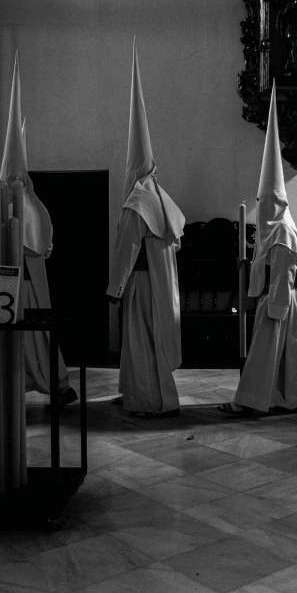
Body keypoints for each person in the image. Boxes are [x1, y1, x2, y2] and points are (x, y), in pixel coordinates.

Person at [219, 84, 297, 416]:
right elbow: (268, 262)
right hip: (274, 297)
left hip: (278, 301)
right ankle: (284, 397)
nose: (261, 205)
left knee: (266, 352)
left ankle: (254, 400)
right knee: (282, 353)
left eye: (264, 200)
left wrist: (274, 308)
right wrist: (248, 266)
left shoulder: (282, 229)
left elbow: (283, 272)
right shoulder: (272, 228)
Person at [106, 43, 184, 419]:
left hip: (140, 283)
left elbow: (127, 249)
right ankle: (139, 393)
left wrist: (114, 289)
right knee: (149, 342)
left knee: (140, 342)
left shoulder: (137, 201)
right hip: (161, 284)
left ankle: (149, 399)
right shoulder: (161, 197)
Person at [0, 55, 77, 410]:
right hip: (28, 281)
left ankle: (46, 383)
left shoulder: (10, 203)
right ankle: (54, 382)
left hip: (20, 283)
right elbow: (45, 246)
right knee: (36, 337)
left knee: (29, 335)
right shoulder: (37, 204)